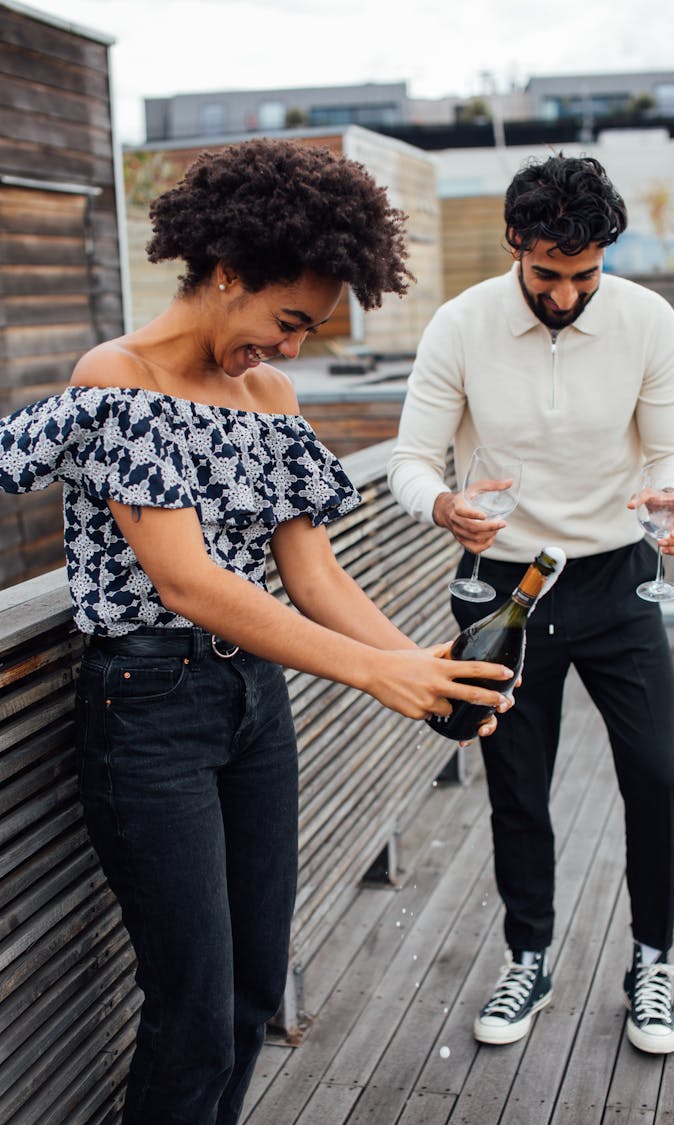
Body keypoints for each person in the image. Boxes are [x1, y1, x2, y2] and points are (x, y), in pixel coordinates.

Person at [0, 140, 515, 1124]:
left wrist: (424, 669)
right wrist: (374, 675)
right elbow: (189, 583)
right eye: (287, 321)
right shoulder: (120, 378)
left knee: (247, 996)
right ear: (226, 272)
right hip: (148, 710)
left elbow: (311, 570)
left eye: (311, 332)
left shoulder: (270, 399)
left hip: (253, 708)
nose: (290, 350)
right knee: (191, 1014)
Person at [388, 154, 674, 1056]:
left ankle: (653, 960)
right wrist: (440, 504)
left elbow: (673, 449)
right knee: (516, 786)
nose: (566, 295)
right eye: (548, 275)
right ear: (514, 245)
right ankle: (529, 954)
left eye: (585, 276)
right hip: (503, 588)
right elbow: (413, 458)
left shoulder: (647, 321)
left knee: (657, 775)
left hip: (615, 575)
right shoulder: (460, 324)